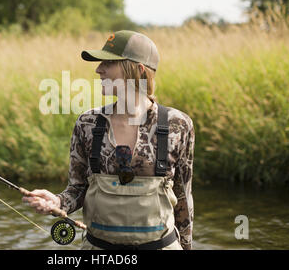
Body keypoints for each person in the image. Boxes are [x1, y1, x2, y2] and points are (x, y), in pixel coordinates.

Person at [22, 30, 195, 250]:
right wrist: (56, 202)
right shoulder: (88, 123)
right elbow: (78, 189)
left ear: (137, 70)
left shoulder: (178, 125)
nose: (98, 69)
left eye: (108, 63)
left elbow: (183, 199)